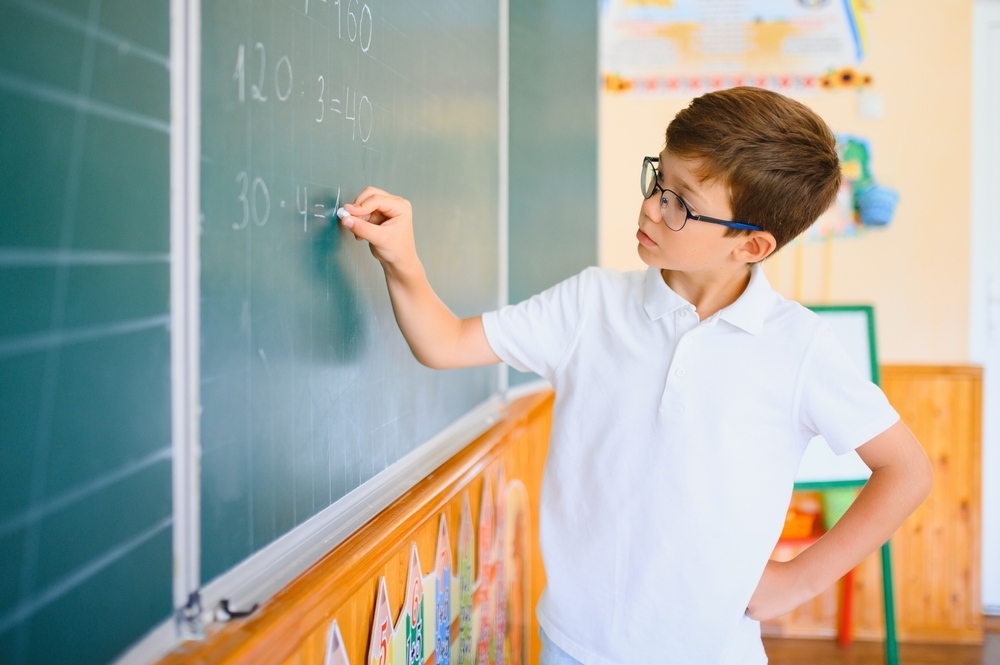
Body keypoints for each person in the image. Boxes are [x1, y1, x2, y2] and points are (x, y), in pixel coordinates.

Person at [339, 86, 933, 664]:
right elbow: (444, 343)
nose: (652, 206)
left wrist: (799, 580)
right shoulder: (591, 305)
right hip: (572, 645)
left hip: (714, 654)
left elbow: (905, 470)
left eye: (681, 200)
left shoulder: (798, 347)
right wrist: (403, 260)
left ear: (750, 247)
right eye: (658, 180)